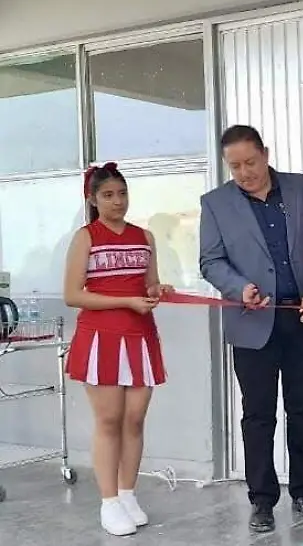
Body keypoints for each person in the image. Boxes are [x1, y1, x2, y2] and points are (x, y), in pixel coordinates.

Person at [198, 125, 303, 533]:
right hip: (252, 321)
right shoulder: (216, 203)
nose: (244, 172)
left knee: (302, 409)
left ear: (266, 154)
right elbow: (210, 260)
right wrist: (241, 288)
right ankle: (261, 500)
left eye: (250, 162)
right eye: (234, 166)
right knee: (257, 414)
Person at [63, 163, 173, 536]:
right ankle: (108, 501)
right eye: (108, 195)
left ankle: (128, 493)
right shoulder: (85, 237)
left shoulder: (145, 236)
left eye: (122, 194)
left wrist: (157, 291)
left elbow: (150, 283)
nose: (117, 202)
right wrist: (127, 301)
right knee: (109, 420)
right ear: (92, 199)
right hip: (100, 339)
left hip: (140, 337)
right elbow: (73, 294)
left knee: (135, 419)